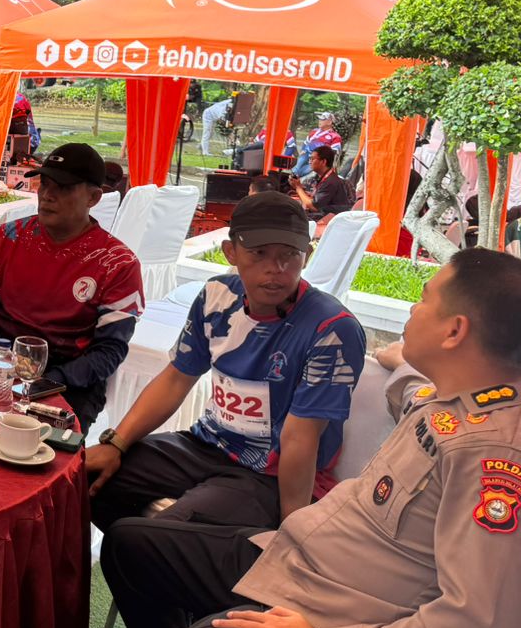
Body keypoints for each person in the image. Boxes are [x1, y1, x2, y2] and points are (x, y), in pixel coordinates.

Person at [87, 248, 521, 628]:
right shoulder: (461, 400)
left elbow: (476, 627)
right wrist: (401, 361)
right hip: (308, 567)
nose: (412, 309)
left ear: (454, 331)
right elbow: (414, 396)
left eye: (424, 299)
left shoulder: (504, 464)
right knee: (130, 543)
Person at [88, 191, 364, 540]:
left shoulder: (332, 329)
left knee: (154, 538)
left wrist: (290, 535)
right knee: (84, 480)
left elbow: (299, 438)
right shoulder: (217, 296)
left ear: (306, 256)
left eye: (289, 254)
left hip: (269, 475)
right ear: (230, 252)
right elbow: (177, 378)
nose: (276, 269)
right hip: (206, 445)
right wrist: (115, 443)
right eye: (259, 253)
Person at [0, 142, 144, 430]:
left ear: (93, 197)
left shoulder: (117, 263)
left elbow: (109, 351)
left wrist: (49, 381)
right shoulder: (7, 237)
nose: (47, 195)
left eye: (64, 188)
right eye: (44, 184)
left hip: (71, 381)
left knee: (35, 448)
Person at [293, 145, 356, 224]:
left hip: (330, 220)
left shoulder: (331, 181)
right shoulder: (326, 178)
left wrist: (298, 187)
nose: (309, 162)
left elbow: (313, 206)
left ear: (323, 162)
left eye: (312, 159)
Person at [291, 111, 343, 178]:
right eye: (319, 119)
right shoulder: (314, 131)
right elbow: (306, 143)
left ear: (329, 122)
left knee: (306, 170)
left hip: (318, 159)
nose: (319, 121)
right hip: (306, 155)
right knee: (298, 166)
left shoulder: (335, 136)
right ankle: (294, 174)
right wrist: (303, 150)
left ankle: (296, 176)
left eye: (322, 119)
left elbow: (334, 153)